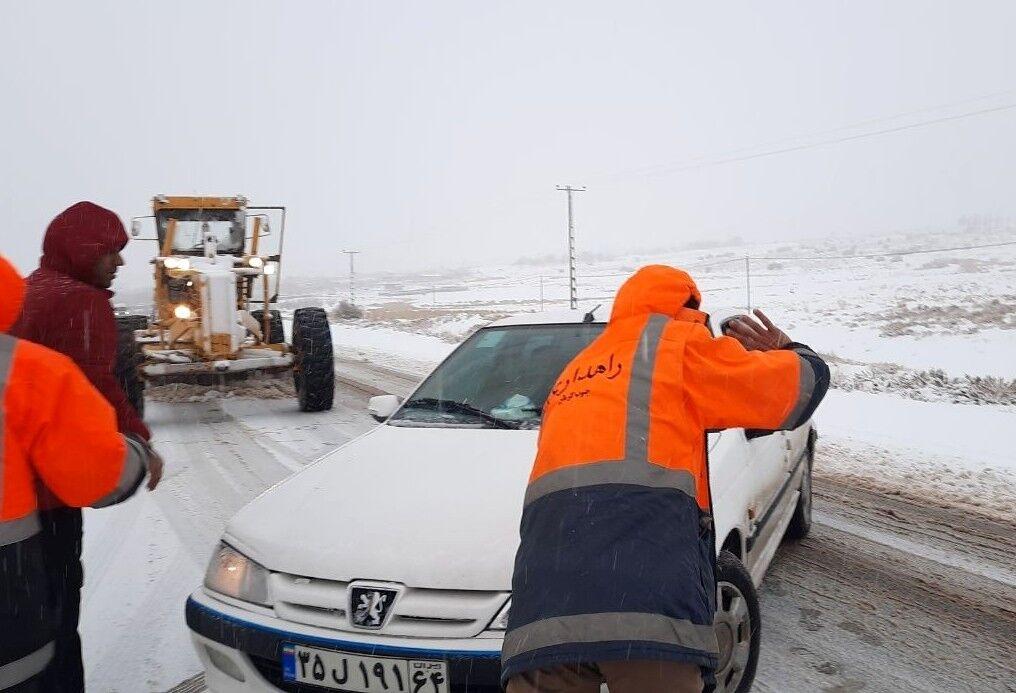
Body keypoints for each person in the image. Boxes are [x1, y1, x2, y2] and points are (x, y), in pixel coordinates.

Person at [501, 265, 829, 693]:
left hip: (543, 612)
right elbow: (797, 390)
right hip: (645, 608)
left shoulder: (575, 371)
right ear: (688, 306)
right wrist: (791, 349)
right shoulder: (677, 347)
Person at [10, 201, 162, 691]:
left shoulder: (33, 290)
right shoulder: (80, 300)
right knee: (55, 623)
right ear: (83, 250)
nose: (118, 263)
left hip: (14, 486)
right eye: (111, 251)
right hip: (45, 501)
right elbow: (95, 384)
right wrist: (139, 440)